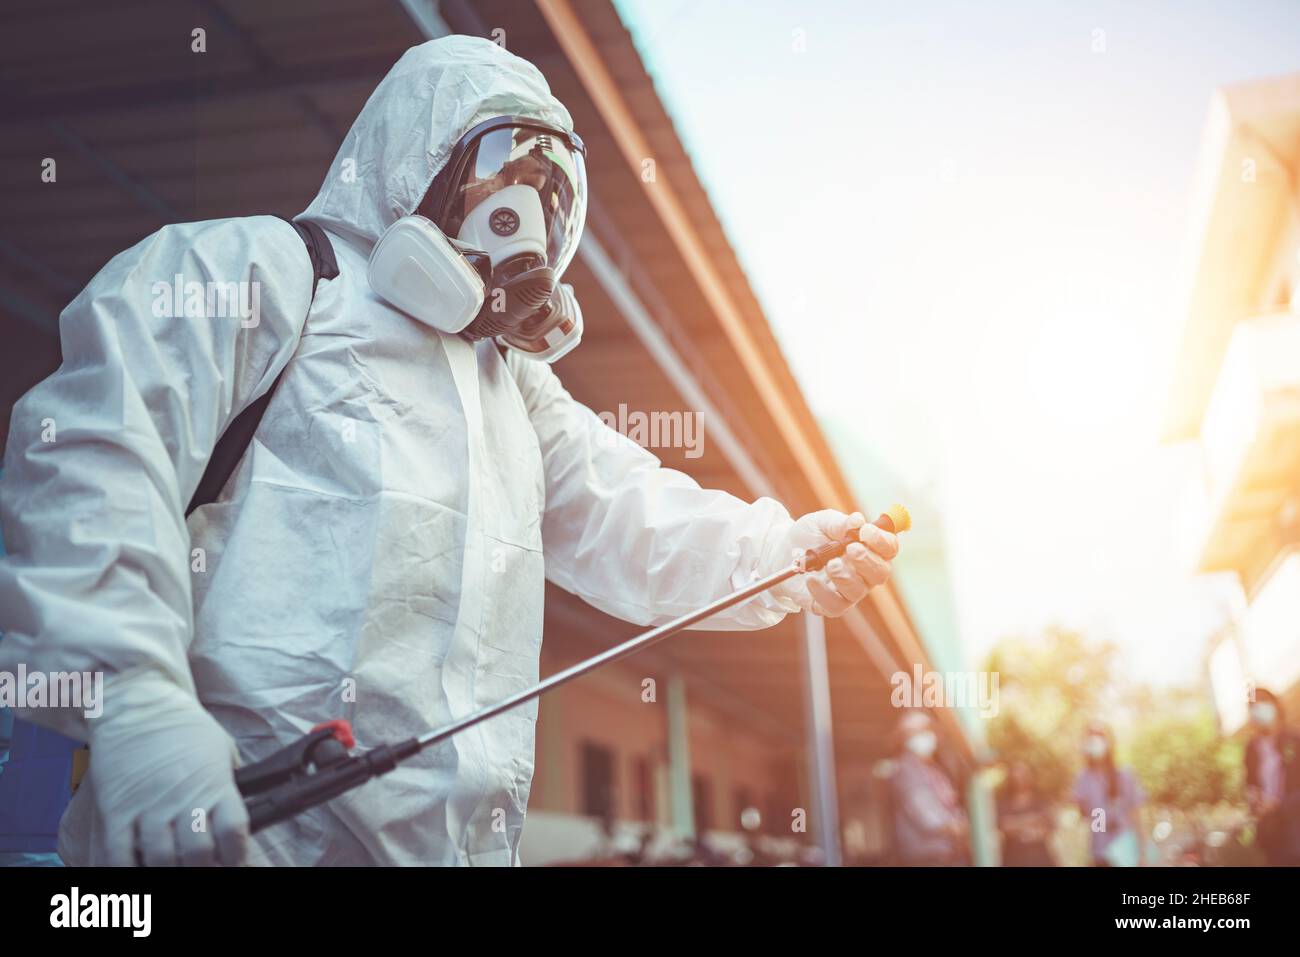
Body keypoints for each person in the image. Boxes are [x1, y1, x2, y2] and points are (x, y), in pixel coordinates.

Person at [0, 37, 898, 867]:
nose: (527, 225)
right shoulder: (265, 275)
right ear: (412, 160)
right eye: (502, 177)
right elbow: (92, 454)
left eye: (551, 197)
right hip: (232, 836)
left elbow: (634, 512)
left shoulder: (512, 388)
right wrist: (136, 705)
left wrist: (781, 555)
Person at [890, 711, 969, 865]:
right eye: (916, 732)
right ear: (904, 738)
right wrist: (961, 828)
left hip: (947, 854)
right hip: (928, 857)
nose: (924, 735)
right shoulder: (906, 769)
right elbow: (927, 816)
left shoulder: (933, 768)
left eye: (926, 729)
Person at [1072, 723, 1145, 866]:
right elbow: (1084, 818)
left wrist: (1142, 852)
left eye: (1100, 737)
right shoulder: (1083, 778)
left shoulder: (1125, 775)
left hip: (1125, 852)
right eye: (1091, 738)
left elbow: (1136, 816)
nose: (1095, 742)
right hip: (1099, 853)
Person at [1244, 688, 1300, 865]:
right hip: (1271, 834)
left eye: (1262, 702)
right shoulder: (1251, 749)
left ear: (1275, 705)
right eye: (1252, 706)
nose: (1258, 709)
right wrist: (1255, 800)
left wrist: (1278, 805)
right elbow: (1250, 783)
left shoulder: (1295, 740)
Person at [996, 760, 1055, 866]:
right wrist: (1033, 819)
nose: (1020, 778)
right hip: (1013, 859)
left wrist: (1016, 824)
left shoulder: (1042, 801)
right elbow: (1004, 826)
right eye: (1017, 774)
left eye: (1024, 774)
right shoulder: (1003, 803)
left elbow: (1047, 828)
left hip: (1040, 859)